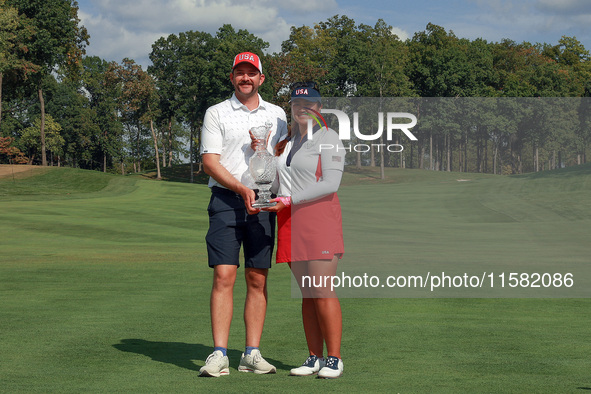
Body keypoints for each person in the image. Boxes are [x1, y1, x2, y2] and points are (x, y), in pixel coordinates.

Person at [198, 52, 288, 377]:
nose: (245, 78)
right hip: (226, 200)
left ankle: (251, 353)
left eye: (251, 73)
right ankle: (219, 354)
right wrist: (240, 188)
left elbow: (281, 156)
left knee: (257, 278)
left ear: (261, 78)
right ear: (232, 77)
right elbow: (210, 161)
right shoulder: (217, 113)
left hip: (264, 203)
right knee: (224, 275)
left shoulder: (277, 115)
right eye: (240, 73)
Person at [264, 81, 345, 378]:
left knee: (323, 289)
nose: (303, 109)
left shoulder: (328, 137)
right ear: (291, 108)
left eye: (309, 104)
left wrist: (288, 199)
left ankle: (334, 359)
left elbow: (330, 184)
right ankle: (314, 357)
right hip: (289, 220)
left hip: (319, 219)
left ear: (319, 108)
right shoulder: (285, 142)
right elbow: (277, 183)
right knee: (307, 293)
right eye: (297, 105)